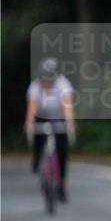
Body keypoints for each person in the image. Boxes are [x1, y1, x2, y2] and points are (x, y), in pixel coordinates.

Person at [24, 58, 76, 201]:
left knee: (62, 150)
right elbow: (32, 108)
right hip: (42, 117)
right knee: (38, 139)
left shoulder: (63, 84)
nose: (47, 83)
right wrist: (29, 125)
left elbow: (67, 106)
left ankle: (61, 185)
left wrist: (70, 124)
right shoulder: (35, 86)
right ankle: (36, 158)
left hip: (59, 118)